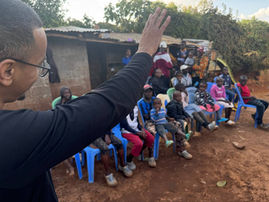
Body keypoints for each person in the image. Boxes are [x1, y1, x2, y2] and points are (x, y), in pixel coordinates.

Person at [0, 1, 171, 200]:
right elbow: (101, 106)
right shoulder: (10, 138)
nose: (41, 72)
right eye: (38, 65)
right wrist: (145, 52)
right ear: (8, 71)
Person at [52, 87, 77, 176]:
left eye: (68, 92)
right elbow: (57, 115)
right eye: (65, 93)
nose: (67, 94)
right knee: (61, 150)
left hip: (72, 128)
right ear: (62, 94)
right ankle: (70, 167)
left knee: (68, 149)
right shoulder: (58, 104)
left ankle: (70, 166)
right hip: (62, 128)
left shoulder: (74, 102)